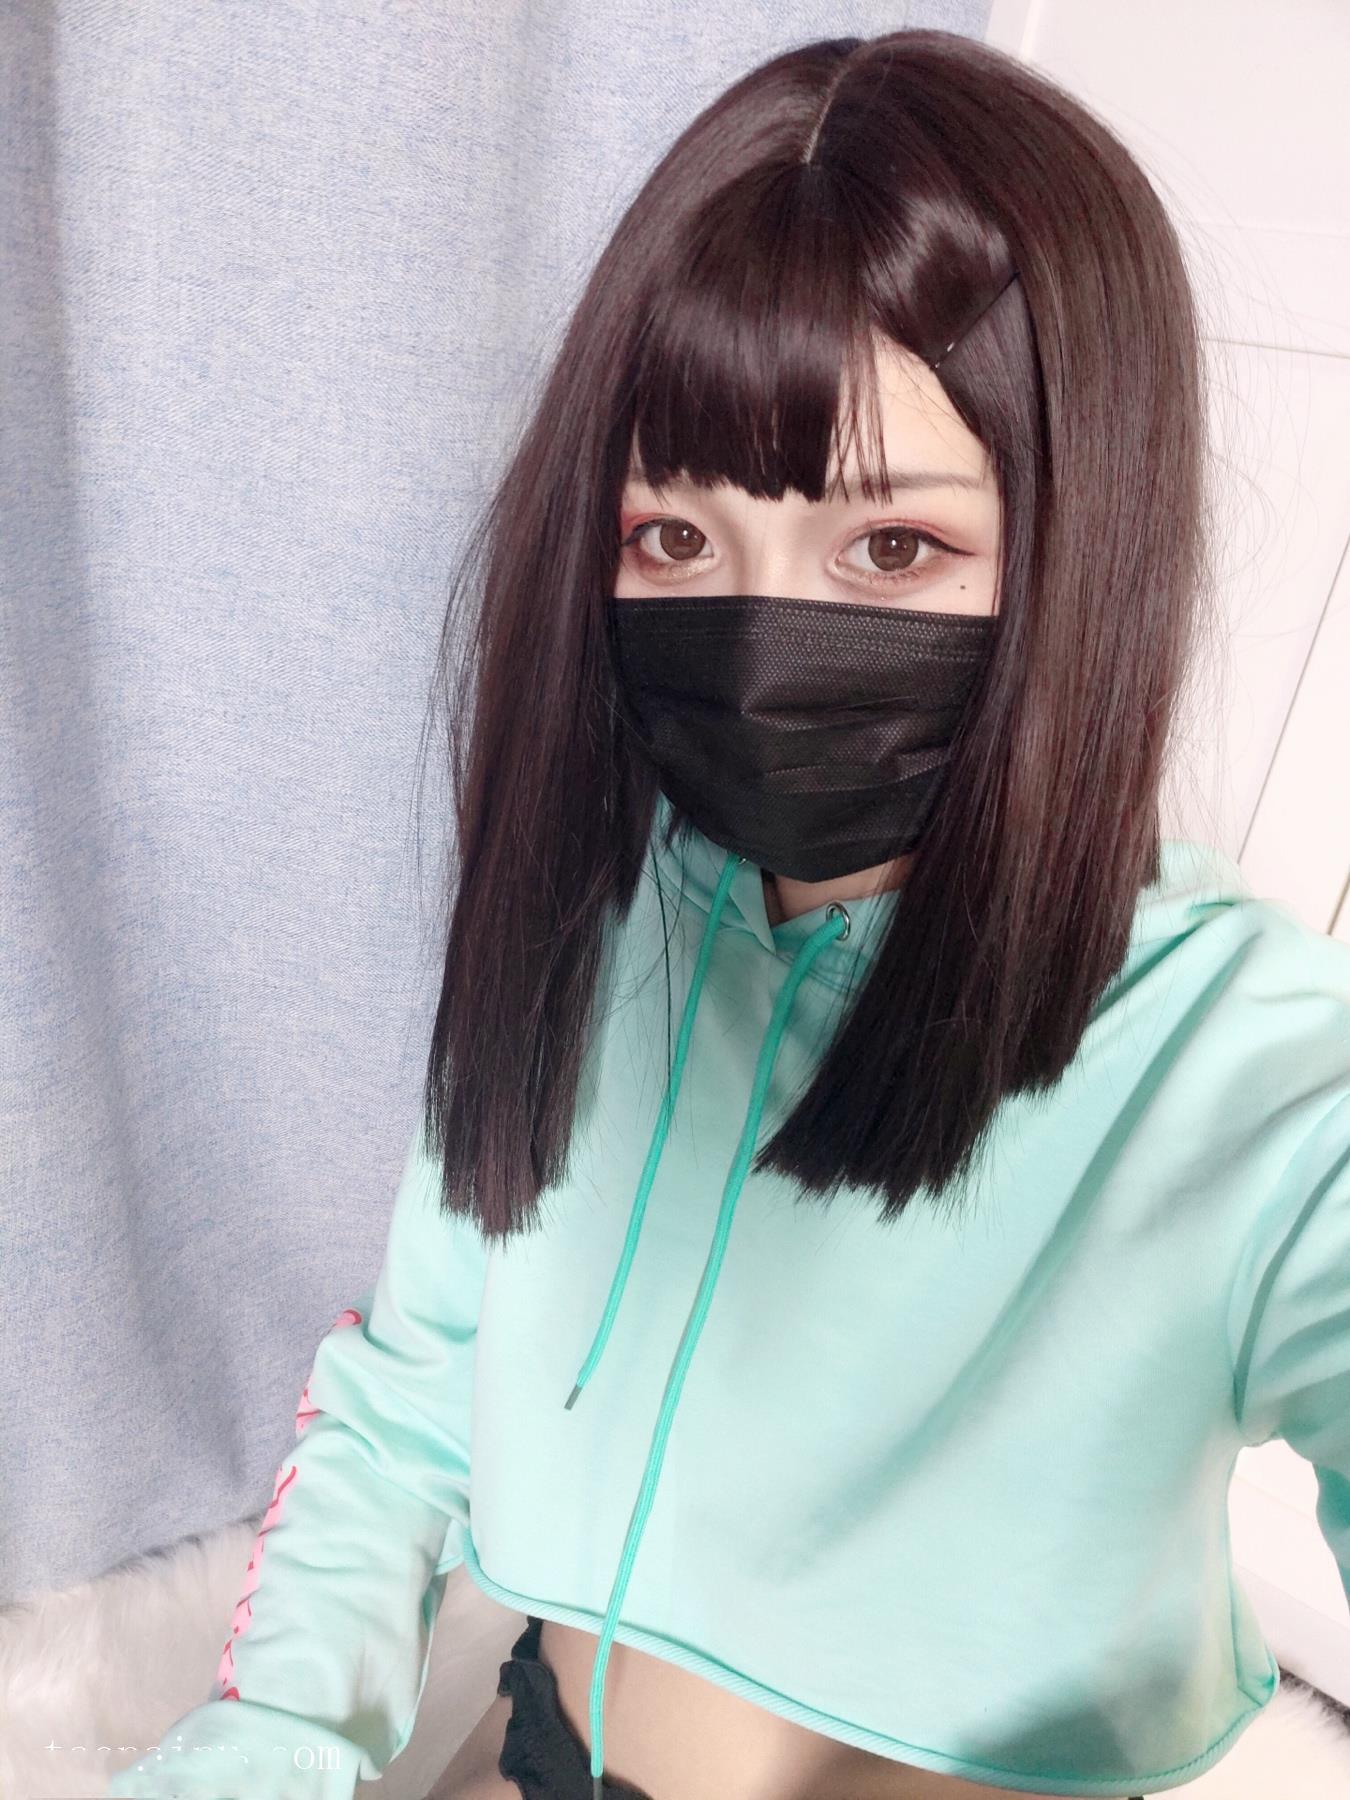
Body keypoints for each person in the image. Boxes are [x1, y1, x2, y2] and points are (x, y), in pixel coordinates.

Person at [107, 26, 1350, 1800]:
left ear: (1078, 549)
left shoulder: (1264, 1075)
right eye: (675, 541)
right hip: (548, 1748)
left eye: (891, 550)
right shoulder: (589, 918)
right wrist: (270, 1740)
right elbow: (413, 1388)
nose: (761, 642)